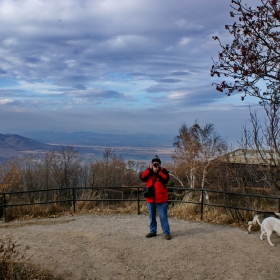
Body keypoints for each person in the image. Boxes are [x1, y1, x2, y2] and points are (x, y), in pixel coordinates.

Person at [140, 155, 171, 240]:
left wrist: (158, 172)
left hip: (161, 199)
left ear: (160, 164)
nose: (155, 165)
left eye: (157, 164)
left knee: (163, 217)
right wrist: (149, 170)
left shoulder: (163, 171)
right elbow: (142, 177)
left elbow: (166, 179)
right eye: (154, 164)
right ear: (151, 164)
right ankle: (152, 231)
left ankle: (166, 232)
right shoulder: (148, 171)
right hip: (150, 199)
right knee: (151, 216)